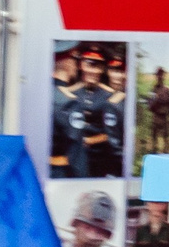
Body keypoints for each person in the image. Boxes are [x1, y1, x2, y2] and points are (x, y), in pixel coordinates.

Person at [53, 46, 125, 178]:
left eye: (97, 66)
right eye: (89, 65)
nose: (93, 71)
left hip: (101, 162)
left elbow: (115, 133)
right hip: (73, 161)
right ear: (81, 65)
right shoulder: (70, 93)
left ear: (102, 69)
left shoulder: (111, 96)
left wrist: (90, 140)